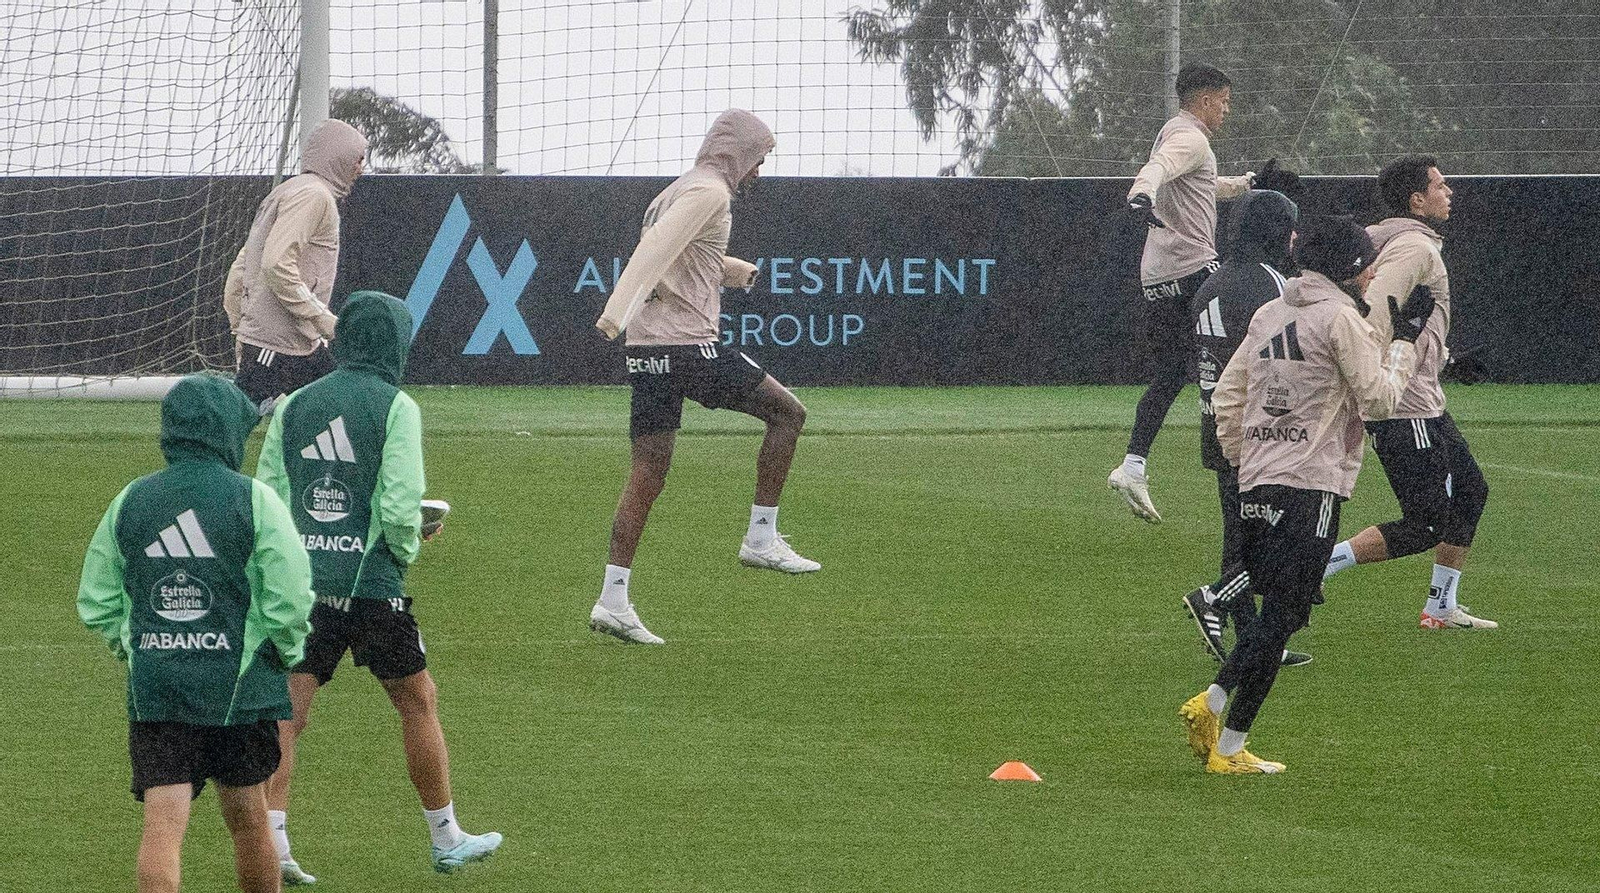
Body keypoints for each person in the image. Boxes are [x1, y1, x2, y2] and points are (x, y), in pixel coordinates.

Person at [255, 291, 502, 882]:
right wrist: (411, 542)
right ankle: (445, 836)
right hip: (371, 584)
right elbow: (398, 501)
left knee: (287, 712)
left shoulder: (294, 405)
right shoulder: (397, 406)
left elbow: (269, 496)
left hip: (302, 586)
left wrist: (283, 571)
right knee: (417, 701)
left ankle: (274, 843)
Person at [1180, 217, 1435, 773]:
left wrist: (1244, 461)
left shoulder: (1269, 313)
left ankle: (1217, 713)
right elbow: (1379, 400)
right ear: (1349, 266)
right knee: (1283, 615)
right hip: (1311, 482)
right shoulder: (1341, 318)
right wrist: (1404, 345)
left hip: (1258, 476)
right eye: (1367, 264)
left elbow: (1228, 396)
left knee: (1281, 610)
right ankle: (1225, 735)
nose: (1372, 274)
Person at [77, 373, 315, 892]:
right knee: (250, 820)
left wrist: (139, 647)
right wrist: (283, 651)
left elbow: (96, 600)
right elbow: (291, 595)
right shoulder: (255, 499)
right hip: (242, 689)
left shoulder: (131, 499)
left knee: (163, 827)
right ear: (228, 431)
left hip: (160, 690)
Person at [589, 109, 817, 646]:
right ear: (739, 152)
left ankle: (612, 601)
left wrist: (734, 271)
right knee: (789, 414)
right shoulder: (711, 193)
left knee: (648, 472)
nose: (760, 170)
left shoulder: (676, 190)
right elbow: (653, 252)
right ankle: (761, 539)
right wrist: (614, 312)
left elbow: (681, 254)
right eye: (759, 158)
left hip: (648, 350)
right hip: (688, 345)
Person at [1320, 156, 1495, 629]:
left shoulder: (1385, 240)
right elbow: (1378, 315)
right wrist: (1377, 377)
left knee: (1471, 491)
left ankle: (1440, 607)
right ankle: (1315, 565)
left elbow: (1406, 322)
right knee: (1426, 523)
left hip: (1421, 396)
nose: (1449, 192)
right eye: (1440, 185)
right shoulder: (1415, 247)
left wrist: (1446, 360)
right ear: (1417, 200)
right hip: (1403, 403)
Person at [1109, 63, 1255, 523]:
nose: (1227, 111)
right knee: (1245, 348)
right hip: (1193, 268)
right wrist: (1141, 194)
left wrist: (1246, 184)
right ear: (1206, 100)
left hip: (1158, 276)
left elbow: (1201, 184)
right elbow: (1158, 170)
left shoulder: (1174, 133)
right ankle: (1245, 459)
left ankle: (1133, 465)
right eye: (1224, 102)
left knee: (1174, 371)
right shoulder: (1191, 139)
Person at [1179, 188, 1312, 669]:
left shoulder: (1212, 282)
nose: (1294, 237)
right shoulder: (1271, 284)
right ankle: (1216, 602)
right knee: (1282, 539)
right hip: (1258, 430)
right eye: (1290, 227)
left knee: (1239, 536)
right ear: (1275, 231)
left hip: (1215, 420)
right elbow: (1285, 357)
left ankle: (1252, 644)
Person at [225, 118, 369, 414]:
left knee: (345, 411)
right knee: (233, 426)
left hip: (292, 342)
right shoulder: (315, 196)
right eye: (358, 159)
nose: (361, 168)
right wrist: (321, 318)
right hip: (276, 344)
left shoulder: (288, 190)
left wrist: (240, 324)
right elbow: (275, 263)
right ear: (338, 157)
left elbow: (243, 265)